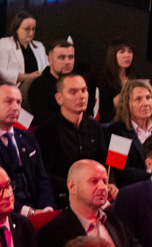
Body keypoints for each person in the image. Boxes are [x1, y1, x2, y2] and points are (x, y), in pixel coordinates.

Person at [0, 83, 51, 214]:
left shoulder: (28, 137)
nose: (15, 108)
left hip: (38, 209)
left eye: (18, 102)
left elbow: (42, 178)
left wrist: (47, 207)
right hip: (5, 213)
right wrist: (28, 212)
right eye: (8, 101)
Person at [34, 72, 103, 207]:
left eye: (84, 90)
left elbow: (102, 161)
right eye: (73, 92)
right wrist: (78, 187)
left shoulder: (94, 126)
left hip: (94, 192)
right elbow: (44, 173)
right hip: (62, 197)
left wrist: (108, 183)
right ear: (59, 98)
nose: (81, 96)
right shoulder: (48, 129)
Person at [0, 12, 45, 90]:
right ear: (16, 28)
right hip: (16, 88)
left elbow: (45, 68)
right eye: (27, 29)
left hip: (39, 85)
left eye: (33, 29)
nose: (31, 33)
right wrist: (28, 77)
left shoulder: (39, 46)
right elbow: (0, 73)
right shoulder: (5, 43)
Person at [91, 44, 134, 123]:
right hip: (109, 122)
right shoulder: (104, 79)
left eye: (130, 52)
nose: (127, 55)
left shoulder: (134, 77)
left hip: (131, 122)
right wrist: (126, 92)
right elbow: (103, 110)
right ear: (113, 55)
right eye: (122, 52)